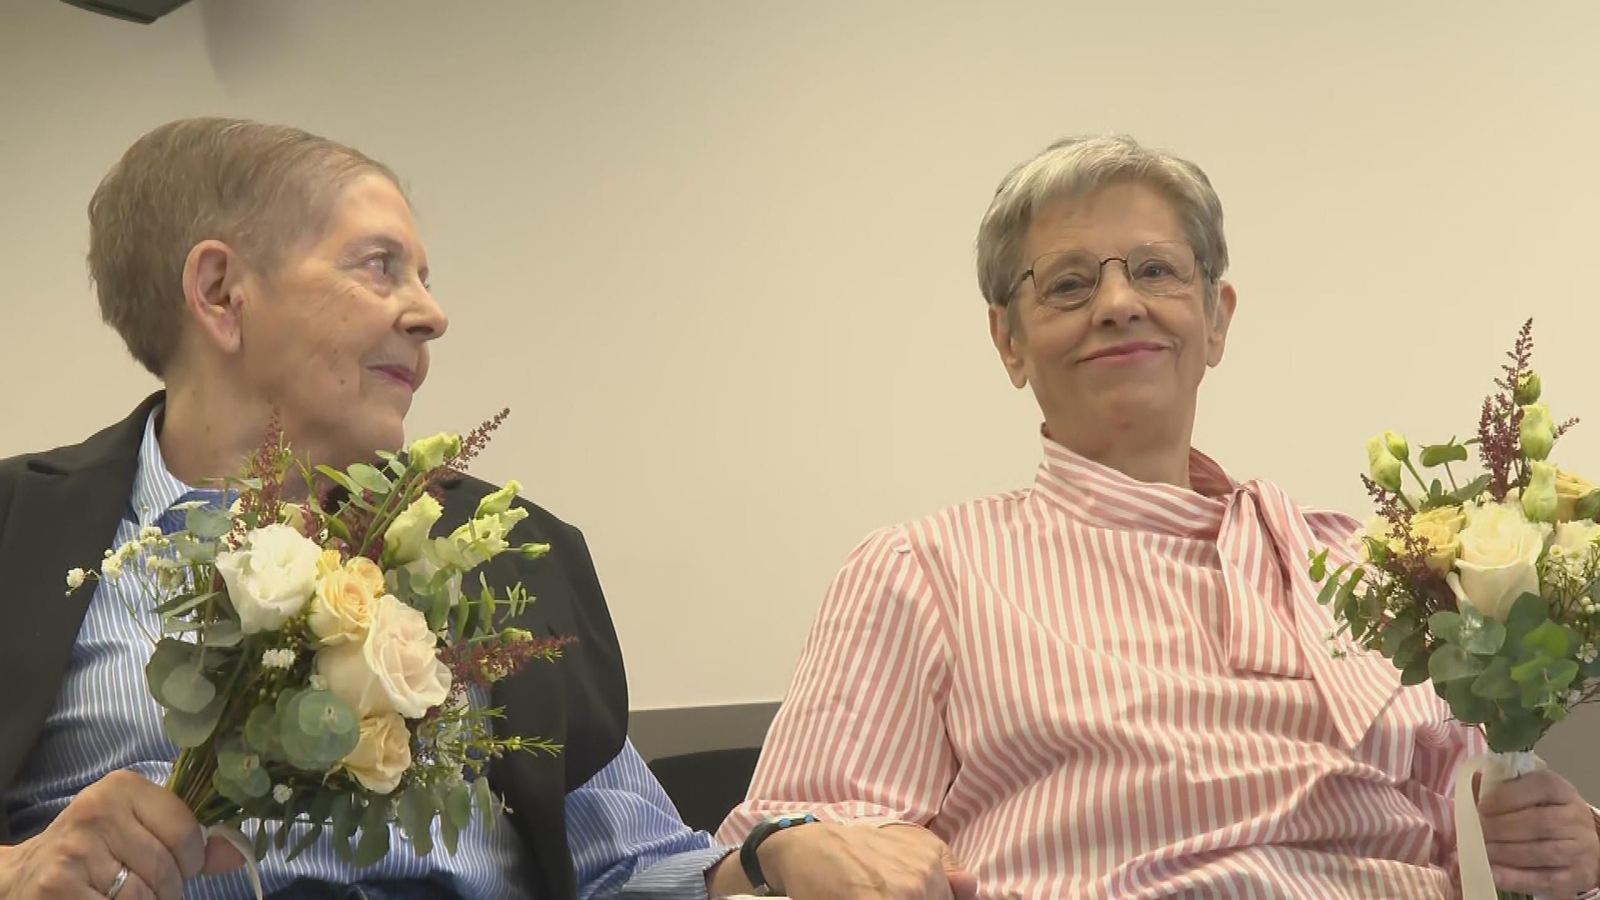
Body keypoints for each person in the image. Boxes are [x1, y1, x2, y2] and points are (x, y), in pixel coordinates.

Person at [0, 117, 937, 900]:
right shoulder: (17, 533)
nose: (429, 314)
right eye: (379, 267)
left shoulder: (516, 552)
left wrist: (771, 858)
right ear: (220, 292)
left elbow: (631, 866)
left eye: (426, 276)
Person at [718, 135, 1600, 899]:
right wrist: (786, 851)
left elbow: (1482, 823)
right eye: (1066, 284)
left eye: (1154, 270)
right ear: (1009, 342)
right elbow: (777, 856)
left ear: (1214, 320)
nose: (1117, 303)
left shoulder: (1372, 565)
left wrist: (1562, 838)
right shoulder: (927, 569)